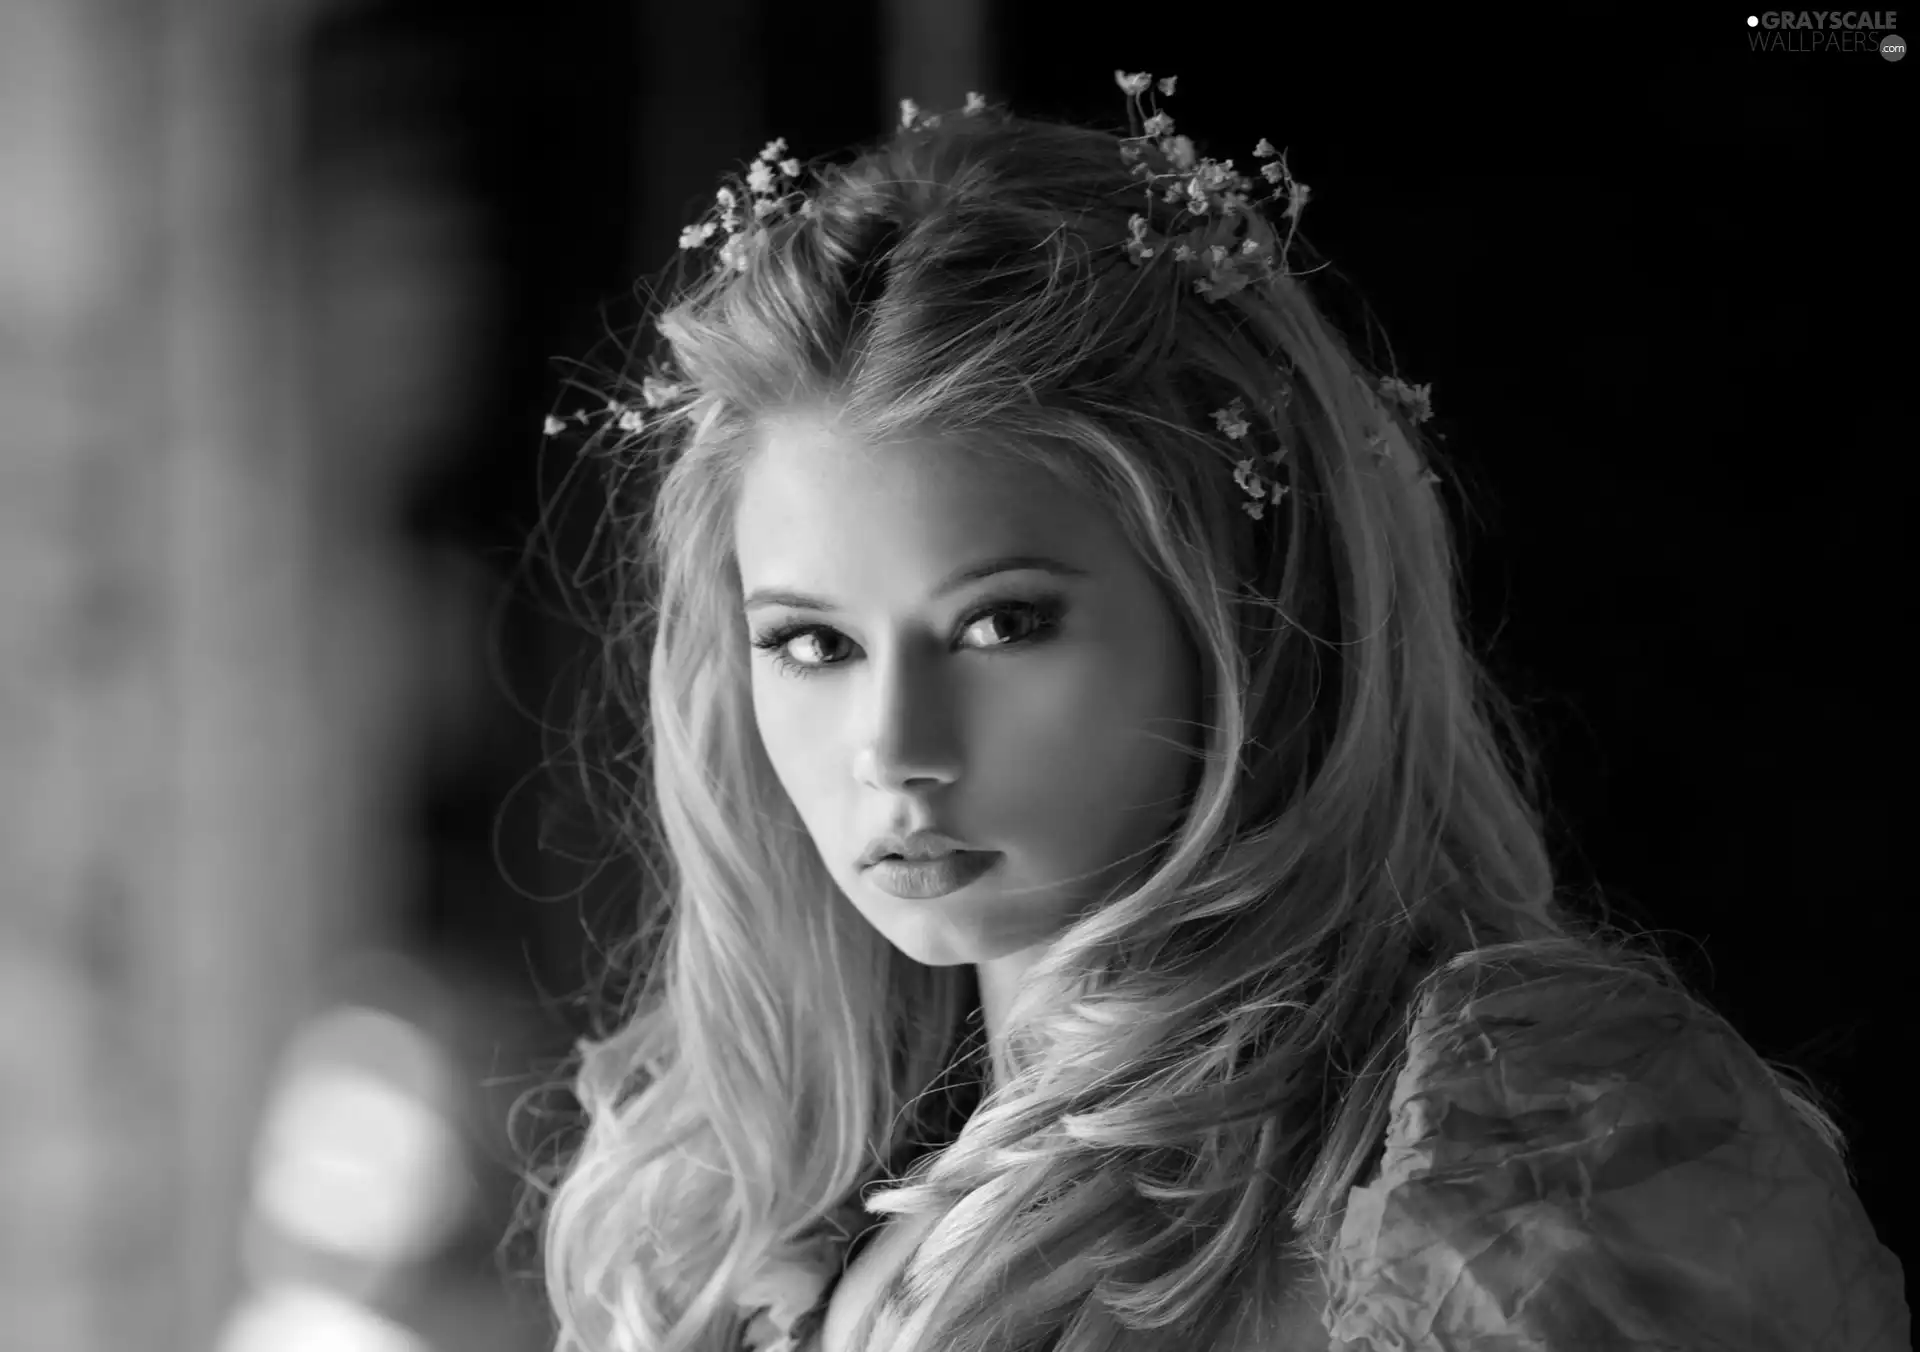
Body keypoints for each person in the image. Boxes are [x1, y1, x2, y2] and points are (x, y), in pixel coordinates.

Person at [510, 74, 1910, 1352]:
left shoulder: (1516, 1163)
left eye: (1003, 624)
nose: (894, 752)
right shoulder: (753, 1213)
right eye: (812, 643)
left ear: (1245, 613)